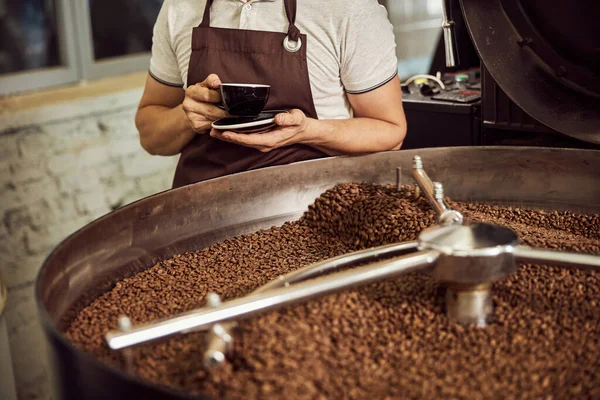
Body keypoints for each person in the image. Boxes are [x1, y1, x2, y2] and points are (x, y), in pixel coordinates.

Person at [135, 0, 407, 188]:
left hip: (315, 209)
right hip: (201, 214)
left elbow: (390, 131)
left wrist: (310, 132)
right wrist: (188, 116)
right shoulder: (179, 7)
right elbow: (151, 137)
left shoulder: (347, 8)